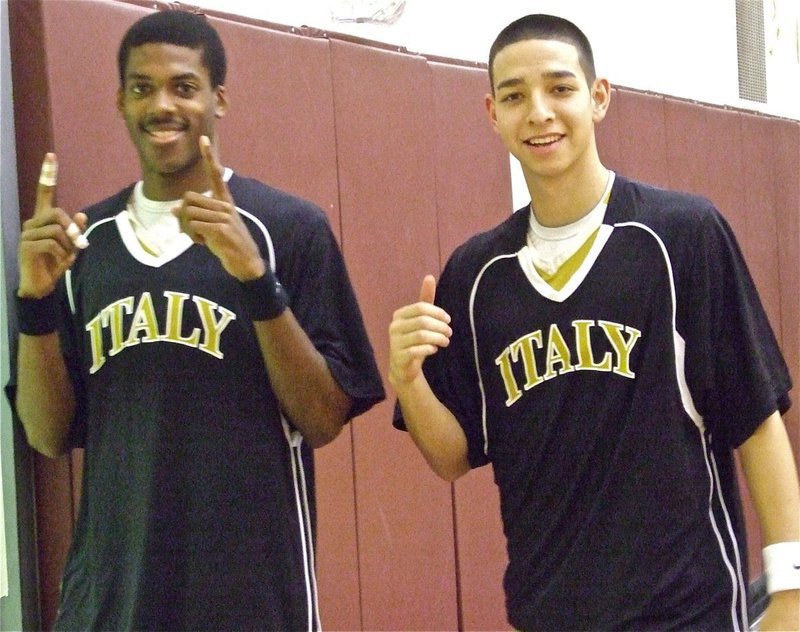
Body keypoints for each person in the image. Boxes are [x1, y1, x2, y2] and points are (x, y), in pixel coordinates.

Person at [389, 13, 800, 631]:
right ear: (492, 113)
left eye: (560, 88)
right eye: (514, 96)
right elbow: (452, 456)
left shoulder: (681, 235)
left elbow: (757, 420)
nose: (539, 112)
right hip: (549, 616)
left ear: (598, 97)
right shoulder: (476, 275)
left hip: (690, 614)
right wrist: (410, 380)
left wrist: (791, 598)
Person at [12, 9, 384, 631]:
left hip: (252, 597)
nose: (163, 105)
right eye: (142, 87)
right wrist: (35, 303)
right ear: (121, 101)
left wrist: (255, 283)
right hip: (112, 599)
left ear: (219, 100)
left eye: (184, 87)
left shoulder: (286, 228)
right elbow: (50, 436)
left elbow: (321, 420)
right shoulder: (85, 244)